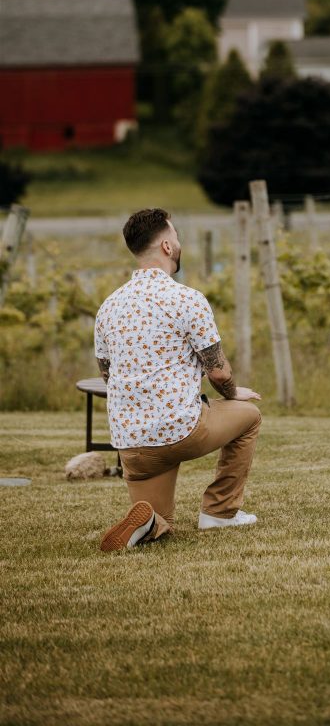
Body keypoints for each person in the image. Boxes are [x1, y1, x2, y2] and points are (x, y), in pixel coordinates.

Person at [95, 208, 262, 551]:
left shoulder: (108, 307)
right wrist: (233, 394)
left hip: (131, 442)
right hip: (179, 429)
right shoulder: (186, 299)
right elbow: (218, 371)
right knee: (249, 417)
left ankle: (149, 522)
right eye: (177, 237)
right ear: (168, 247)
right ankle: (220, 512)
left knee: (161, 523)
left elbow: (107, 374)